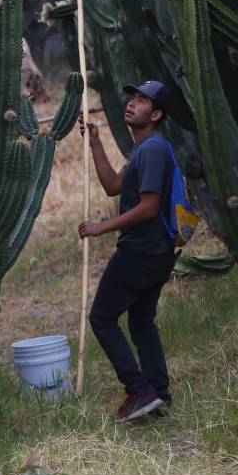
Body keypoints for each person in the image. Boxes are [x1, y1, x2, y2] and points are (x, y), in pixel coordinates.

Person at [78, 80, 178, 422]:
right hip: (157, 252)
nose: (132, 104)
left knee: (102, 318)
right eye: (132, 98)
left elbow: (149, 208)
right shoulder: (143, 151)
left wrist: (100, 228)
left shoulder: (152, 150)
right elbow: (112, 187)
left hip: (142, 251)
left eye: (142, 100)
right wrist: (95, 143)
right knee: (140, 320)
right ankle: (159, 394)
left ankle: (139, 390)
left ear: (157, 114)